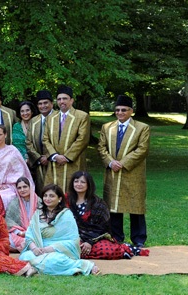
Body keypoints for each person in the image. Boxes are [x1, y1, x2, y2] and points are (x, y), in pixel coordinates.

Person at [98, 95, 150, 248]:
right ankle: (116, 237)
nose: (120, 112)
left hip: (132, 173)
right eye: (117, 110)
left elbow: (142, 149)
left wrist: (122, 163)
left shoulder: (142, 128)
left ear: (131, 111)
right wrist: (110, 162)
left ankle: (139, 239)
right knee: (113, 206)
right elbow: (101, 147)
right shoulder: (107, 127)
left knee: (136, 206)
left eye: (124, 110)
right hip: (112, 172)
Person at [18, 184, 99, 275]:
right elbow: (30, 234)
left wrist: (49, 249)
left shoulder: (66, 215)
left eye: (52, 196)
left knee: (55, 260)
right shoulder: (38, 214)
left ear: (60, 199)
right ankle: (36, 268)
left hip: (57, 252)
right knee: (25, 256)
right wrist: (34, 248)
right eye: (45, 196)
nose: (47, 199)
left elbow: (72, 241)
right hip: (38, 250)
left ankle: (85, 265)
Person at [68, 171, 146, 259]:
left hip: (94, 239)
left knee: (106, 250)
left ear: (88, 185)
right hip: (72, 238)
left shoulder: (97, 204)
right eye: (76, 181)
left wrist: (89, 242)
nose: (79, 184)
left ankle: (123, 250)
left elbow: (102, 228)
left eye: (83, 182)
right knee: (69, 247)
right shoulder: (66, 201)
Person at [42, 85, 90, 190]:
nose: (61, 101)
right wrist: (55, 156)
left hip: (73, 162)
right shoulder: (51, 118)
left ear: (71, 100)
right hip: (54, 163)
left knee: (72, 191)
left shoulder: (81, 116)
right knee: (53, 191)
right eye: (59, 99)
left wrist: (66, 157)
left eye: (65, 98)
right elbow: (45, 139)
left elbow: (82, 139)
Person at [0, 125, 35, 209]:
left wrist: (12, 183)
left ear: (5, 135)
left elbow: (20, 170)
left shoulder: (12, 150)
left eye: (0, 134)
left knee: (12, 196)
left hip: (12, 185)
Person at [25, 90, 54, 195]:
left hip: (54, 162)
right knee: (40, 190)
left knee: (54, 189)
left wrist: (48, 156)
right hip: (38, 163)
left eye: (46, 103)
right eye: (40, 104)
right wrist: (39, 157)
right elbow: (28, 142)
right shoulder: (34, 121)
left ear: (52, 103)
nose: (43, 106)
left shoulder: (58, 118)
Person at [5, 177, 39, 252]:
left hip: (36, 233)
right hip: (20, 235)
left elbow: (43, 220)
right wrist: (20, 233)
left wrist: (31, 232)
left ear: (30, 187)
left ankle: (27, 245)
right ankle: (29, 246)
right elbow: (9, 222)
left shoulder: (39, 202)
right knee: (7, 240)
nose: (22, 190)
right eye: (19, 188)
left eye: (25, 187)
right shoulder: (14, 203)